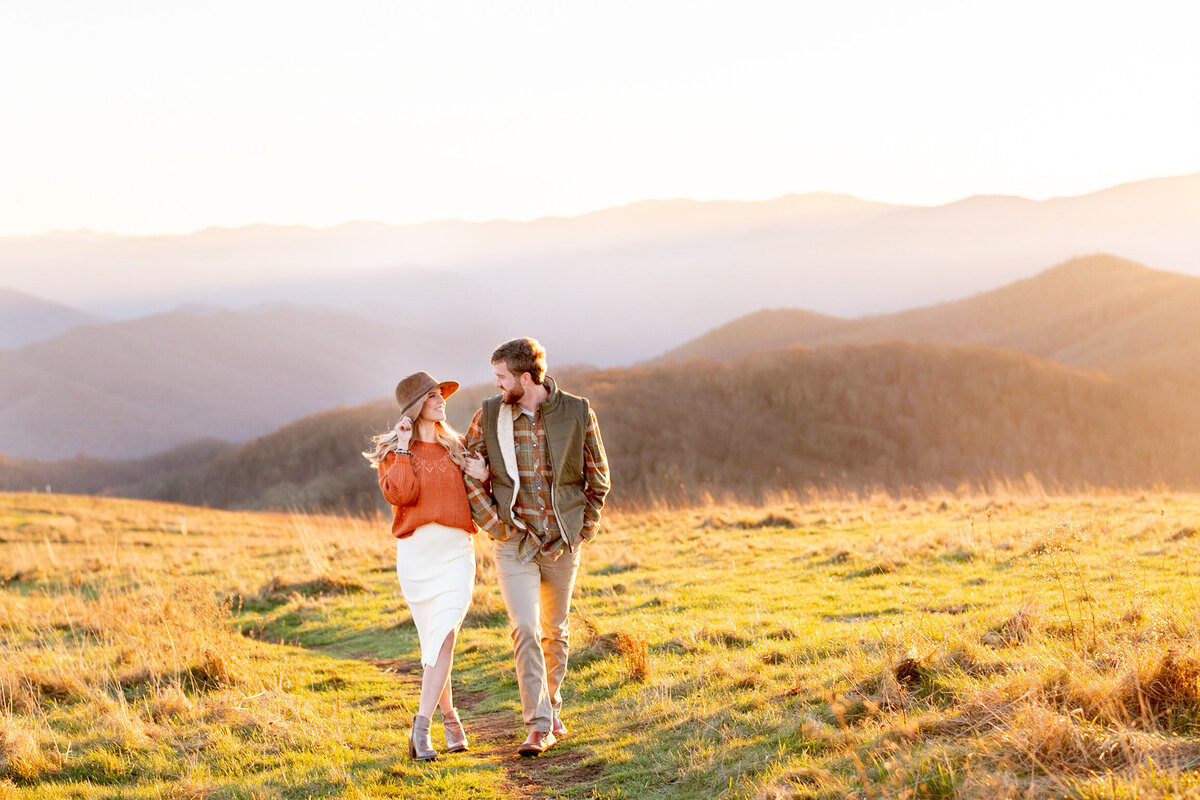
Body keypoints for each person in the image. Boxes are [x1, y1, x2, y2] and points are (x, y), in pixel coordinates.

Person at [464, 337, 610, 757]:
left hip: (563, 542)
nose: (496, 384)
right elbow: (469, 474)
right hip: (514, 542)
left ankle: (552, 707)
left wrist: (583, 531)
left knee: (553, 631)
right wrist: (498, 527)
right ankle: (538, 726)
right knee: (524, 628)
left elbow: (598, 477)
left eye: (501, 376)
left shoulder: (578, 411)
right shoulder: (489, 415)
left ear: (525, 378)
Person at [363, 371, 488, 761]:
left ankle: (421, 728)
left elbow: (482, 492)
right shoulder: (393, 452)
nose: (441, 401)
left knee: (446, 633)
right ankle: (450, 717)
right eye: (433, 396)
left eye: (442, 395)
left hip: (456, 551)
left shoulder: (458, 446)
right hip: (417, 557)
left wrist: (483, 475)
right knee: (435, 643)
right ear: (416, 406)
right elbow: (402, 494)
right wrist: (402, 446)